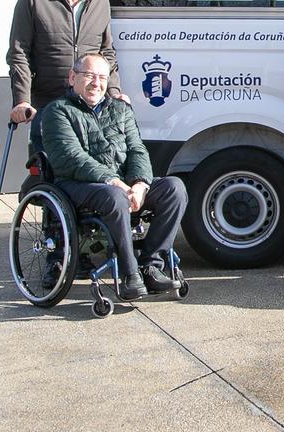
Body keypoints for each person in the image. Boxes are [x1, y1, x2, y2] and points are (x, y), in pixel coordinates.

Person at [40, 54, 188, 300]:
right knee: (115, 196)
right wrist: (115, 181)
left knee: (175, 188)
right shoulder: (57, 112)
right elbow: (72, 157)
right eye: (89, 76)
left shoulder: (120, 109)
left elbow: (137, 149)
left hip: (123, 186)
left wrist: (140, 184)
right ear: (72, 77)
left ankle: (151, 265)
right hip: (78, 185)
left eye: (101, 78)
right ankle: (130, 275)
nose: (95, 83)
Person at [7, 0, 128, 154]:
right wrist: (22, 100)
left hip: (89, 107)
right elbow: (19, 53)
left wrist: (114, 92)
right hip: (48, 103)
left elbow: (107, 52)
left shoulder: (101, 2)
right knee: (49, 169)